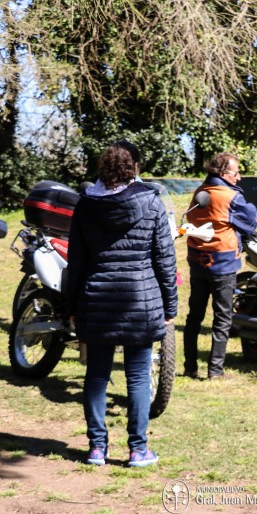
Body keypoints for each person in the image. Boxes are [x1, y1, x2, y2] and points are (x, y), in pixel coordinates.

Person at [66, 141, 178, 467]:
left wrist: (71, 305)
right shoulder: (152, 203)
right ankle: (138, 450)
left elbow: (77, 261)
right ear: (135, 167)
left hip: (97, 298)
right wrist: (170, 307)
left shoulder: (86, 205)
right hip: (140, 302)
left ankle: (97, 448)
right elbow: (165, 261)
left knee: (97, 376)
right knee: (139, 378)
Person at [184, 152, 257, 379]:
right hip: (223, 262)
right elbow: (251, 221)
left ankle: (190, 367)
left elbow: (193, 219)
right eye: (236, 173)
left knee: (194, 316)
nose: (239, 178)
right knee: (223, 317)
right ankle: (215, 371)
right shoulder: (230, 197)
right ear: (224, 173)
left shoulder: (200, 191)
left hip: (197, 260)